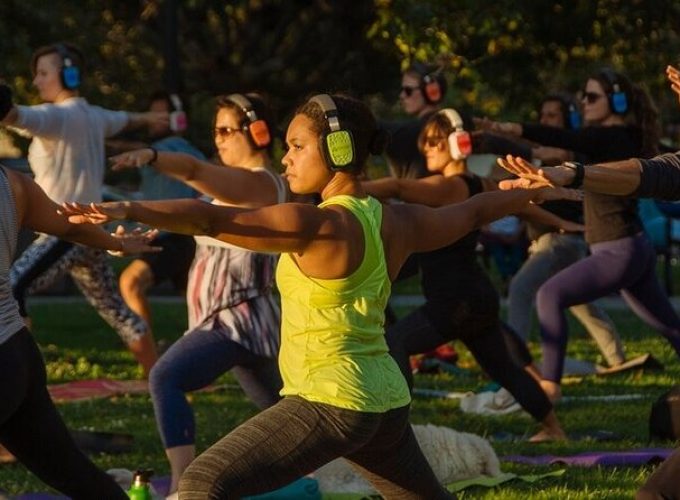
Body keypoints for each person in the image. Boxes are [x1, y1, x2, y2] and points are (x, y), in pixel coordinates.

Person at [61, 93, 573, 499]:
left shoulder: (319, 225)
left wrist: (130, 206)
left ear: (339, 150)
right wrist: (534, 189)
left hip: (331, 401)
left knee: (201, 485)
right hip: (384, 401)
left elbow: (213, 217)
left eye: (297, 146)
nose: (286, 159)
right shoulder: (395, 220)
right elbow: (474, 211)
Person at [107, 93, 285, 494]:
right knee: (288, 416)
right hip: (238, 324)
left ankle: (185, 488)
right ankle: (344, 457)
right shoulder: (229, 192)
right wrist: (138, 230)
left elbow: (191, 175)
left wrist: (152, 156)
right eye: (215, 131)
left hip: (236, 319)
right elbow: (192, 217)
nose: (218, 139)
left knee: (165, 377)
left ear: (258, 132)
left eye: (226, 130)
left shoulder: (264, 184)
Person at [362, 108, 571, 442]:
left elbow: (400, 186)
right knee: (504, 368)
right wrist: (567, 223)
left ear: (457, 145)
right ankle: (554, 429)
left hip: (454, 301)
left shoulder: (451, 186)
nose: (425, 150)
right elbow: (520, 204)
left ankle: (395, 430)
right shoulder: (479, 183)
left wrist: (347, 189)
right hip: (475, 297)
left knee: (394, 342)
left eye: (432, 143)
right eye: (424, 144)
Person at [477, 68, 675, 402]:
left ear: (618, 101)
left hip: (618, 249)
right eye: (583, 95)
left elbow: (567, 140)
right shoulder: (607, 139)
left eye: (592, 96)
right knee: (670, 326)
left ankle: (548, 390)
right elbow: (563, 148)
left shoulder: (614, 136)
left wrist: (511, 129)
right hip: (627, 247)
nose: (584, 102)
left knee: (549, 295)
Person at [0, 42, 167, 376]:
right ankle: (158, 377)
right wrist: (152, 118)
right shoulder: (96, 116)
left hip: (66, 230)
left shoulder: (55, 117)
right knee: (116, 310)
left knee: (14, 287)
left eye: (43, 73)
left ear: (69, 74)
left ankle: (21, 377)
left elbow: (15, 115)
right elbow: (127, 118)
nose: (36, 82)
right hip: (94, 231)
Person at [0, 163, 157, 499]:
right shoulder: (12, 182)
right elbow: (68, 227)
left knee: (70, 470)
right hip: (16, 353)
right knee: (73, 473)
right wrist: (116, 245)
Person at [505, 93, 626, 370]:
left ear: (568, 119)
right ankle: (618, 359)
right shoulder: (541, 154)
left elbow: (555, 155)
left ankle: (514, 366)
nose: (545, 121)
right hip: (557, 242)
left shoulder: (567, 154)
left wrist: (493, 136)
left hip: (560, 242)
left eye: (552, 116)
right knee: (579, 301)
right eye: (543, 116)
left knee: (521, 288)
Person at [115, 91, 205, 335]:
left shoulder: (166, 148)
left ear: (179, 119)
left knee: (130, 282)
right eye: (150, 115)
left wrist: (98, 139)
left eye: (159, 115)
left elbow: (138, 149)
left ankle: (148, 348)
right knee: (198, 305)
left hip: (174, 236)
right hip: (180, 236)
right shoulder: (188, 149)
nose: (152, 120)